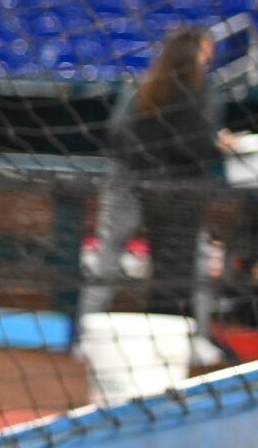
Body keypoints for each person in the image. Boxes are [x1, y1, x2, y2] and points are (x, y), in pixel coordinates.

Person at [83, 26, 233, 359]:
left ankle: (86, 337)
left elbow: (117, 134)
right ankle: (194, 338)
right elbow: (195, 142)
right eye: (206, 49)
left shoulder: (145, 85)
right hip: (171, 189)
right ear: (192, 52)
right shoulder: (199, 90)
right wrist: (217, 144)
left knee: (111, 257)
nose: (209, 56)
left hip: (133, 179)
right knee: (183, 263)